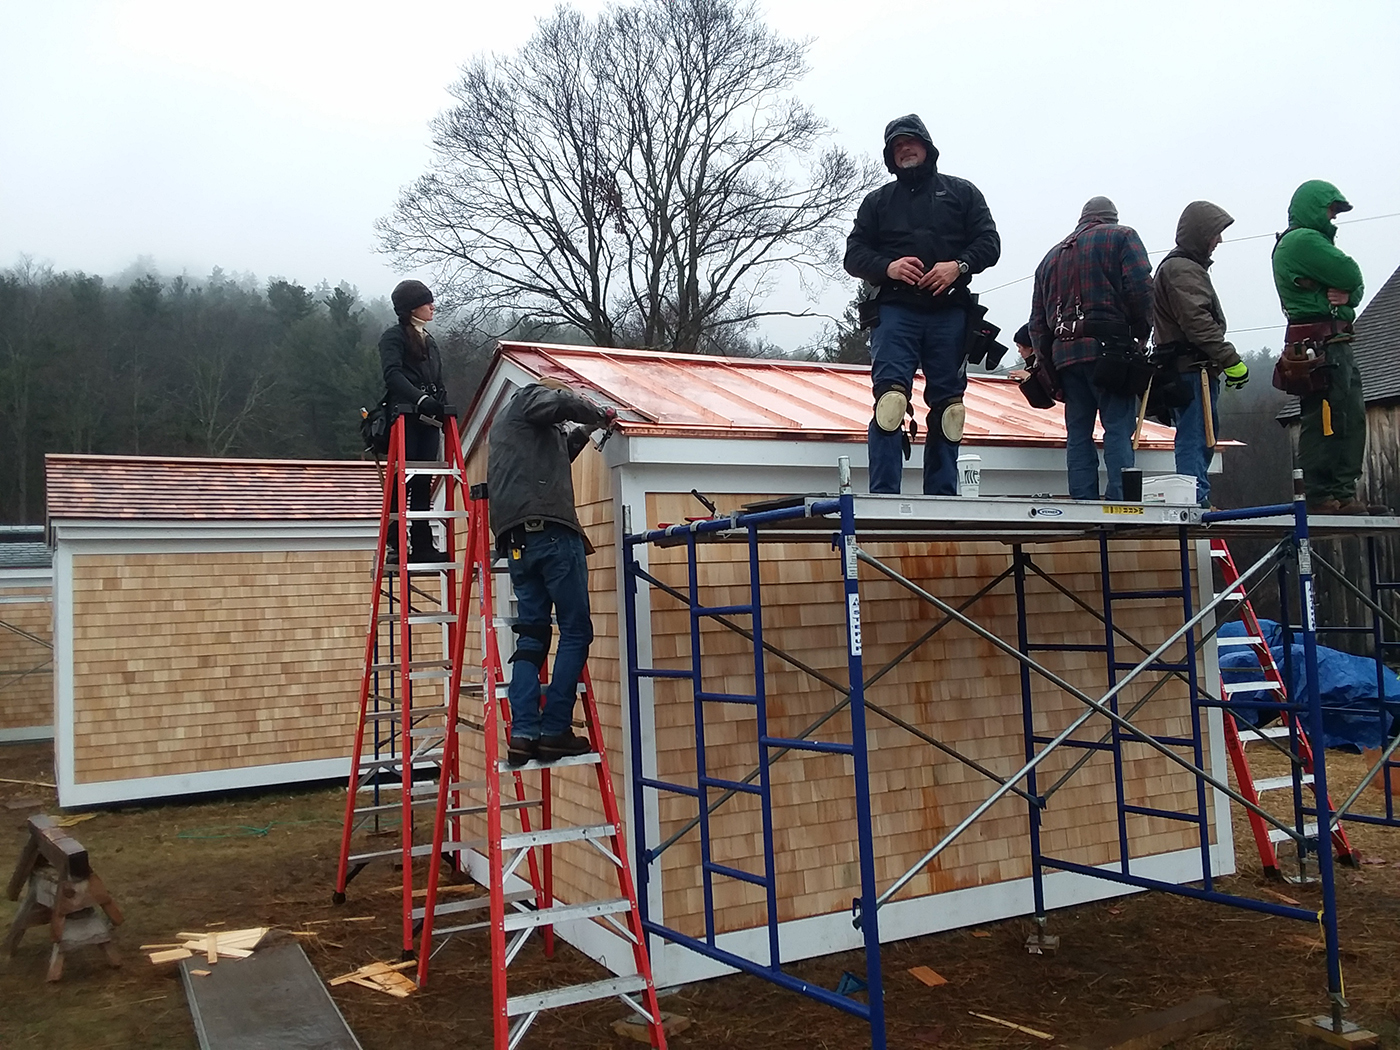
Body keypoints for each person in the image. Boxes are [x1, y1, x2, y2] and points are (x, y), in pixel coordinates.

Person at [843, 114, 1000, 495]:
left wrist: (957, 266)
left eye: (910, 142)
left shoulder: (963, 193)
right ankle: (883, 493)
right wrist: (888, 266)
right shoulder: (877, 202)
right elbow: (853, 255)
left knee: (950, 410)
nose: (904, 149)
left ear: (927, 147)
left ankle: (943, 495)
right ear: (890, 157)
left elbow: (990, 243)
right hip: (895, 311)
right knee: (891, 401)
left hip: (950, 312)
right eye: (897, 146)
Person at [487, 378, 616, 765]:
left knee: (533, 635)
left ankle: (523, 733)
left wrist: (588, 429)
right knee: (576, 630)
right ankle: (555, 727)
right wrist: (599, 411)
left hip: (516, 542)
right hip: (552, 535)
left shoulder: (511, 430)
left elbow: (561, 449)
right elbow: (556, 401)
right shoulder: (529, 397)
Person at [1028, 197, 1152, 501]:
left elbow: (1037, 323)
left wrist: (1048, 367)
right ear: (1111, 218)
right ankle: (1121, 500)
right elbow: (1141, 289)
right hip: (1110, 352)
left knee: (1078, 434)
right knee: (1117, 428)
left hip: (1067, 358)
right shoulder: (1122, 236)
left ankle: (1083, 500)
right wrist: (1140, 333)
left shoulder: (1049, 259)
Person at [1272, 180, 1382, 515]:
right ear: (1314, 208)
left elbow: (1355, 286)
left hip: (1334, 341)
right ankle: (1322, 495)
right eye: (1330, 210)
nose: (1333, 218)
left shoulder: (1308, 241)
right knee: (1326, 418)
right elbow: (1350, 272)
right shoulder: (1302, 240)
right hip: (1320, 346)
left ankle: (1341, 494)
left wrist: (1351, 299)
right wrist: (1349, 296)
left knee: (1347, 418)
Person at [1152, 201, 1251, 509]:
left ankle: (1195, 496)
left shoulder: (1181, 267)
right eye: (1215, 234)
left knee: (1198, 436)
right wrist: (1230, 358)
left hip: (1189, 367)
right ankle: (1194, 499)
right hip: (1192, 369)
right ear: (1200, 234)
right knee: (1196, 437)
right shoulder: (1183, 269)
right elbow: (1197, 321)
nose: (1218, 241)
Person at [379, 279, 448, 562]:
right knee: (402, 478)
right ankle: (396, 544)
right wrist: (419, 399)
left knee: (423, 481)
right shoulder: (392, 337)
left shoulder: (429, 341)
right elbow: (392, 375)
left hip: (428, 418)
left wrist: (440, 405)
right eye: (426, 301)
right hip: (405, 415)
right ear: (410, 308)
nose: (433, 306)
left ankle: (422, 544)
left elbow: (438, 379)